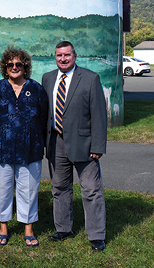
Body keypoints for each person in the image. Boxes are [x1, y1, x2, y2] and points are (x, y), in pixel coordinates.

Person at [41, 41, 107, 252]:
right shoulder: (48, 78)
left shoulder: (90, 78)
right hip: (55, 143)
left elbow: (98, 115)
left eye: (67, 55)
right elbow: (45, 113)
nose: (63, 59)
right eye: (59, 55)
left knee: (91, 190)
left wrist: (97, 145)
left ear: (75, 56)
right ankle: (63, 229)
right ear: (55, 56)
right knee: (59, 188)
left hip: (84, 145)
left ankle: (96, 236)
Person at [0, 47, 48, 248]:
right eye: (10, 64)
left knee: (28, 190)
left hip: (30, 149)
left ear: (25, 66)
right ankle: (3, 227)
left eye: (18, 64)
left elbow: (44, 117)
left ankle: (28, 228)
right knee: (2, 189)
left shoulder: (37, 89)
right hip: (0, 149)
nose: (14, 67)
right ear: (5, 67)